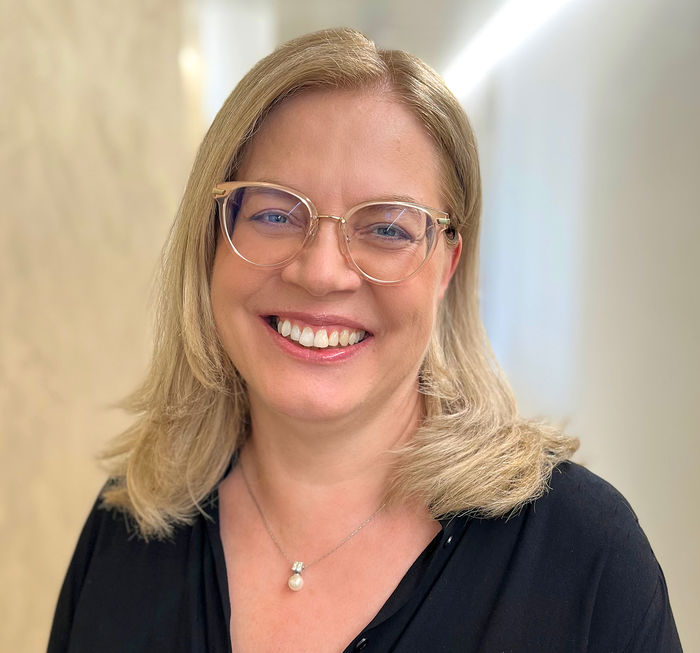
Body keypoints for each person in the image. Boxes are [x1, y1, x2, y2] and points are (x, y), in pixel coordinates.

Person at [47, 28, 682, 653]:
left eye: (386, 229)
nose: (321, 272)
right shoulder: (125, 531)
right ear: (212, 240)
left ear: (446, 268)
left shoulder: (583, 557)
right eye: (274, 213)